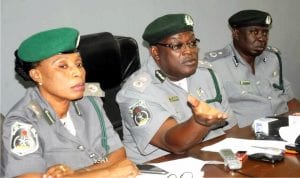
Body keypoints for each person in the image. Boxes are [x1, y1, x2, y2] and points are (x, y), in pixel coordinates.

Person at [1, 27, 139, 178]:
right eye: (63, 66)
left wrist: (81, 173)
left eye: (78, 64)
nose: (78, 73)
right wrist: (108, 172)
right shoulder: (23, 121)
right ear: (37, 75)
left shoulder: (90, 99)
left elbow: (117, 153)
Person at [116, 13, 237, 163]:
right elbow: (173, 143)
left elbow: (232, 130)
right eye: (177, 46)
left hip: (211, 160)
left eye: (192, 43)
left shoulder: (207, 75)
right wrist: (199, 122)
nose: (189, 51)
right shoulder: (135, 92)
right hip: (164, 167)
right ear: (155, 52)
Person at [204, 9, 300, 128]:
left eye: (265, 33)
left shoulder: (272, 58)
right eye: (254, 32)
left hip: (283, 130)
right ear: (236, 33)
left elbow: (288, 99)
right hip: (247, 137)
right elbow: (213, 118)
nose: (261, 38)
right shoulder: (216, 65)